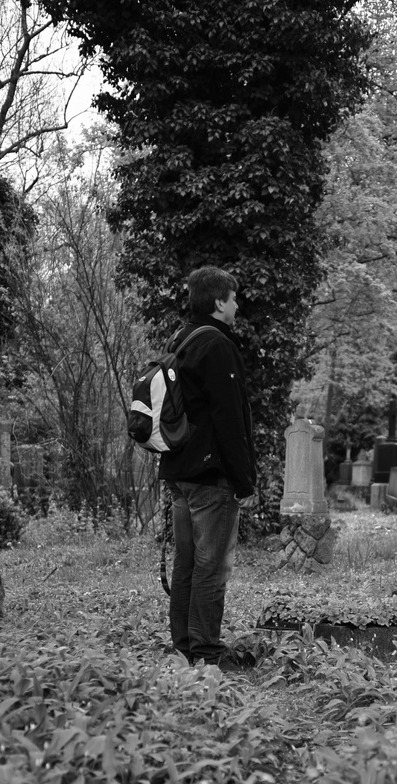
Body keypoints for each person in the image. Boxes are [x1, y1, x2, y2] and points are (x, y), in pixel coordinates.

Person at [160, 266, 257, 669]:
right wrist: (244, 478)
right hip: (210, 474)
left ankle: (183, 646)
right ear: (219, 302)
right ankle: (206, 651)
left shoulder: (180, 339)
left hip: (180, 470)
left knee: (186, 562)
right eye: (233, 298)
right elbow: (229, 418)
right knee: (211, 566)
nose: (237, 304)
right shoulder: (216, 344)